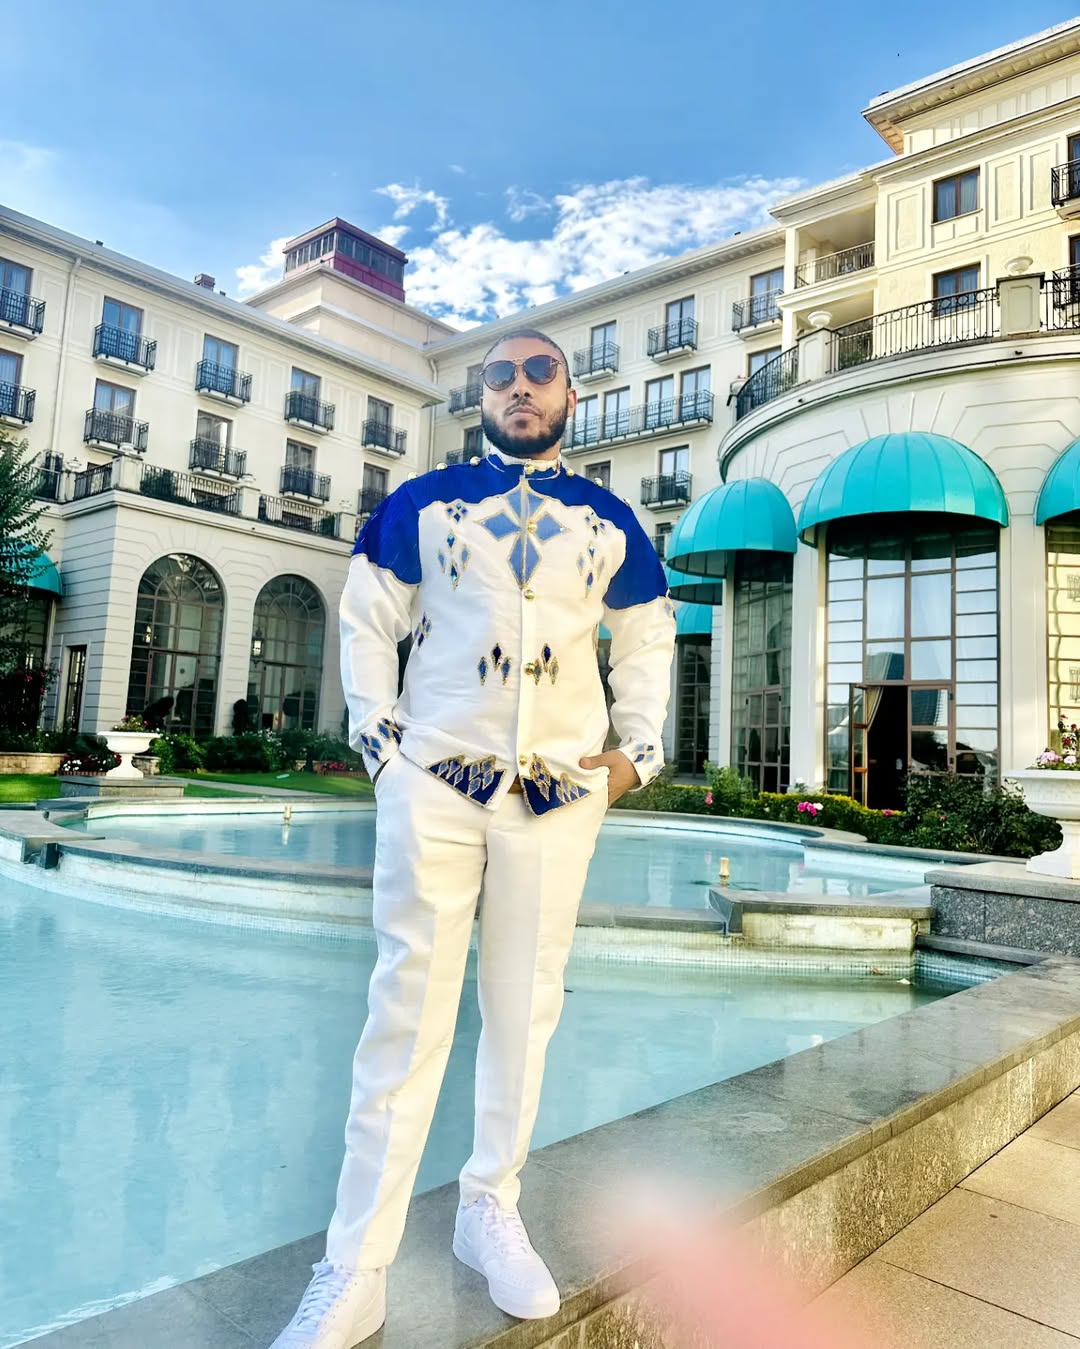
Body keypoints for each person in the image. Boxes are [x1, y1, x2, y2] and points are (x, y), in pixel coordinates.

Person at [272, 328, 676, 1348]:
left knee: (524, 1009)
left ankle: (488, 1205)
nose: (519, 386)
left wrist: (635, 756)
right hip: (436, 786)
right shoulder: (423, 504)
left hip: (561, 793)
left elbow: (647, 637)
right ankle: (355, 1262)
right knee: (404, 1012)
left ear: (571, 394)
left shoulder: (610, 521)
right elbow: (367, 621)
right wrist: (383, 748)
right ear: (480, 397)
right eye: (500, 374)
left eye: (540, 372)